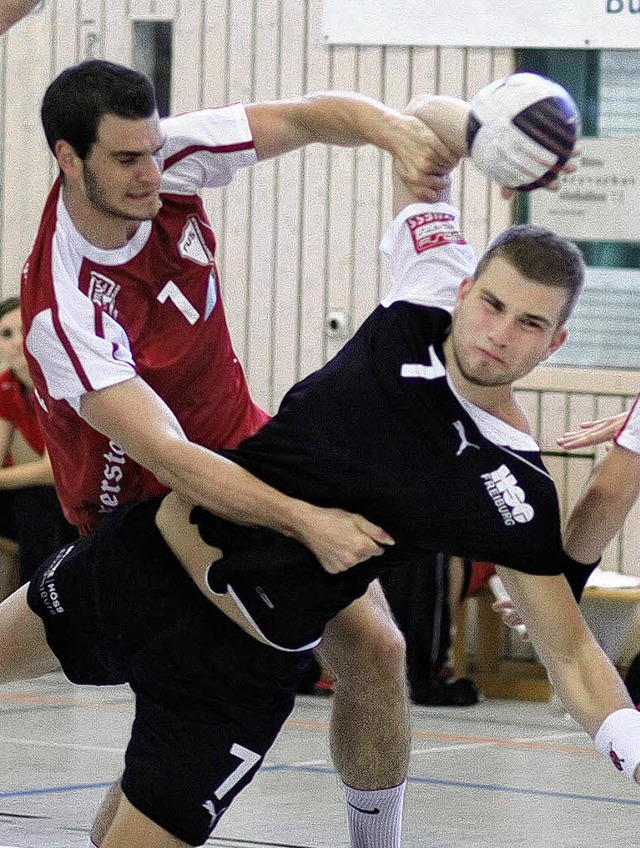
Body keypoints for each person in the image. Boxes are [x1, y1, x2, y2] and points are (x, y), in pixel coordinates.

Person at [6, 92, 639, 848]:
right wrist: (485, 133)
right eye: (492, 305)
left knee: (371, 657)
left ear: (555, 344)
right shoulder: (425, 288)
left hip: (233, 668)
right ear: (466, 287)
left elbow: (570, 653)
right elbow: (420, 132)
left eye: (529, 324)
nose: (499, 335)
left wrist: (631, 746)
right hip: (139, 562)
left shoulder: (511, 491)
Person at [20, 58, 459, 848]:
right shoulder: (64, 306)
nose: (151, 172)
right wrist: (308, 521)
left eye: (154, 150)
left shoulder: (172, 162)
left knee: (375, 648)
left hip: (248, 461)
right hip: (140, 523)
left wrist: (393, 132)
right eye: (126, 159)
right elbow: (169, 454)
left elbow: (307, 115)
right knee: (173, 723)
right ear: (67, 157)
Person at [0, 296, 76, 593]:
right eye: (6, 334)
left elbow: (51, 471)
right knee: (28, 500)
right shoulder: (8, 384)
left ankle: (35, 599)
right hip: (44, 496)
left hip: (86, 491)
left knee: (34, 498)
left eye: (25, 329)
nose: (18, 342)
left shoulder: (58, 379)